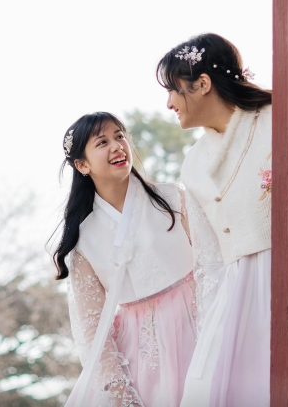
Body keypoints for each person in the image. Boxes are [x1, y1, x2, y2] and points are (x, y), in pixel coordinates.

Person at [52, 112, 198, 407]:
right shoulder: (84, 240)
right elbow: (92, 329)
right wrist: (119, 392)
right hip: (137, 354)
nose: (117, 146)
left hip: (195, 326)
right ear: (82, 165)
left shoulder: (173, 199)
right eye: (102, 142)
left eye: (120, 136)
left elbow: (211, 265)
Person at [159, 35, 272, 407]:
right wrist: (212, 327)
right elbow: (208, 259)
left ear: (202, 84)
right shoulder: (192, 165)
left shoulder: (277, 119)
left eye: (174, 90)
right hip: (234, 294)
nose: (169, 102)